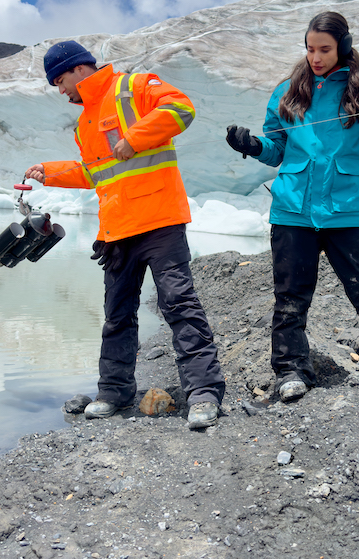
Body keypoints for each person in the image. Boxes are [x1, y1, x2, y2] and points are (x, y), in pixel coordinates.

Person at [225, 11, 359, 402]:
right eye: (310, 49)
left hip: (349, 212)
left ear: (345, 45)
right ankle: (290, 371)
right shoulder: (287, 91)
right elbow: (277, 151)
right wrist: (252, 145)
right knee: (290, 299)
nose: (316, 57)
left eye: (324, 49)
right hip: (293, 212)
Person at [25, 41, 225, 429]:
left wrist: (135, 137)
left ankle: (203, 394)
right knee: (117, 316)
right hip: (118, 230)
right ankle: (114, 392)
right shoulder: (85, 120)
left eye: (59, 80)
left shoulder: (133, 87)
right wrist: (49, 172)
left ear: (78, 69)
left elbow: (181, 108)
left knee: (179, 306)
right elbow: (95, 172)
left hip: (160, 220)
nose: (59, 90)